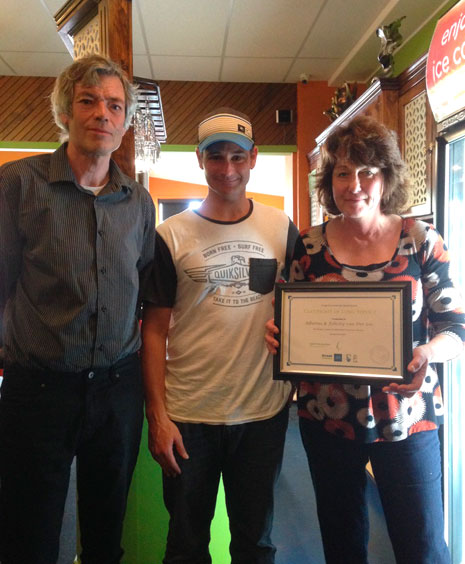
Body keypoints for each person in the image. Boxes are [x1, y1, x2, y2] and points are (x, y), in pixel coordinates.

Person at [266, 115, 465, 564]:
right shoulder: (307, 246)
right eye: (342, 172)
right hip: (327, 420)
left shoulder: (421, 240)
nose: (354, 184)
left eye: (367, 171)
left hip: (408, 419)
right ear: (328, 181)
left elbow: (456, 328)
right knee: (342, 542)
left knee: (423, 545)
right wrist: (279, 335)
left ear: (386, 178)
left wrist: (428, 353)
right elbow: (285, 317)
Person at [0, 54, 156, 564]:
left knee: (106, 533)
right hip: (37, 392)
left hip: (117, 390)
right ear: (65, 111)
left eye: (114, 105)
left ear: (126, 121)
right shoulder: (18, 186)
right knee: (30, 533)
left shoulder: (138, 202)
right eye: (88, 102)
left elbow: (145, 289)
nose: (102, 115)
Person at [142, 108, 298, 563]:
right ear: (199, 159)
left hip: (263, 412)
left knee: (255, 542)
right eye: (216, 157)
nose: (227, 169)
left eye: (236, 156)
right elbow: (153, 332)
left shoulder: (282, 228)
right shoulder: (169, 235)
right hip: (190, 415)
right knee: (187, 543)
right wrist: (158, 416)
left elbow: (304, 307)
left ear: (253, 159)